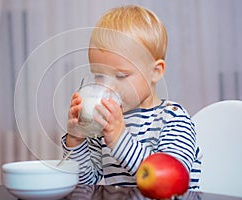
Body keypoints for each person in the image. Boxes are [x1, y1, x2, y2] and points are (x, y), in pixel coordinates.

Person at [61, 5, 202, 189]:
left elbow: (167, 180)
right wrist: (76, 140)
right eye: (99, 76)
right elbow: (86, 183)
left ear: (155, 72)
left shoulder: (173, 119)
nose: (107, 86)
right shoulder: (105, 123)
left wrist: (120, 140)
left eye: (120, 76)